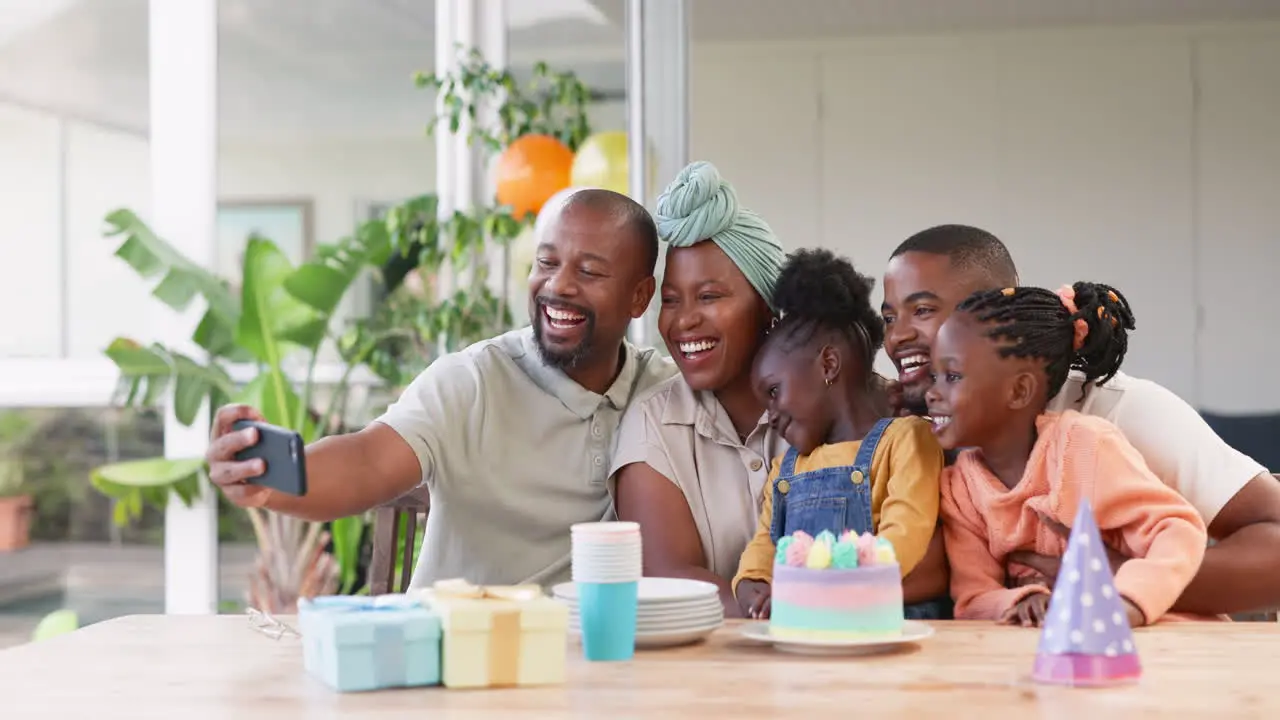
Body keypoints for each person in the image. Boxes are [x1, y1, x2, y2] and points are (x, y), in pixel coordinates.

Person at [204, 189, 677, 588]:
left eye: (589, 271)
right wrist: (267, 479)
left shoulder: (661, 393)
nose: (559, 285)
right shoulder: (471, 380)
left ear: (640, 296)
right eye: (546, 262)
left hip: (591, 670)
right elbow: (367, 461)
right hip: (456, 664)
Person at [881, 224, 1280, 616]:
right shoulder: (914, 432)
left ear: (990, 310)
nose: (896, 336)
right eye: (887, 317)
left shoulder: (1118, 413)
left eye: (922, 310)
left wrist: (1111, 580)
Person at [931, 281, 1208, 626]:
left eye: (952, 376)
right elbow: (972, 598)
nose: (932, 393)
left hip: (1165, 640)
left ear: (1019, 390)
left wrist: (1126, 602)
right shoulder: (960, 488)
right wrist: (1022, 599)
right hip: (1061, 654)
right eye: (935, 376)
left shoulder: (1083, 445)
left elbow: (1177, 530)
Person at [608, 161, 787, 615]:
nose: (683, 320)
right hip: (704, 669)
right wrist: (802, 613)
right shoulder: (654, 425)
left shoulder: (837, 405)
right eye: (671, 300)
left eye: (709, 297)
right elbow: (670, 576)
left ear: (767, 306)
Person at [733, 249, 945, 619]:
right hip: (812, 629)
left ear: (828, 365)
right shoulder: (786, 469)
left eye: (773, 391)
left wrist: (827, 586)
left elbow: (906, 532)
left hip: (889, 625)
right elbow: (765, 542)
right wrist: (753, 582)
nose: (771, 414)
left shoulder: (905, 439)